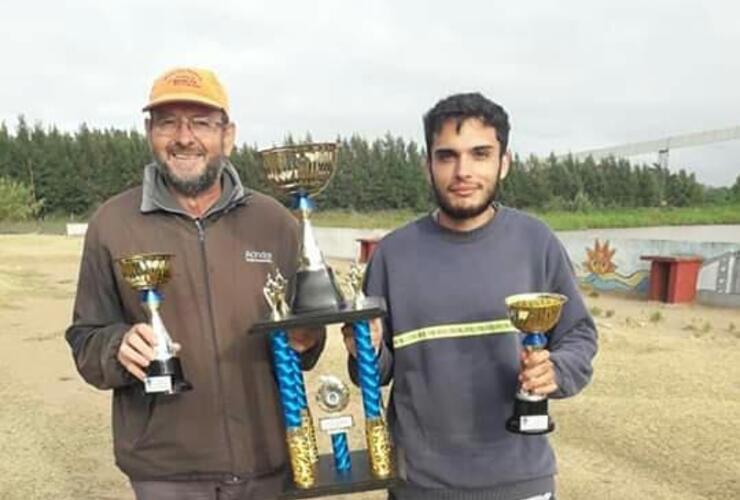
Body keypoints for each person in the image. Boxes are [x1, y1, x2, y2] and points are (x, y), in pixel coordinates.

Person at [65, 67, 324, 500]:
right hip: (165, 472)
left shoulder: (276, 223)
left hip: (269, 461)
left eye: (201, 122)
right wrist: (117, 346)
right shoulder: (112, 224)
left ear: (228, 134)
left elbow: (304, 340)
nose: (184, 137)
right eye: (168, 122)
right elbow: (85, 338)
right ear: (150, 132)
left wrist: (307, 339)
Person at [343, 92, 598, 500]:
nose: (463, 171)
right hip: (419, 486)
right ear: (428, 166)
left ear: (504, 162)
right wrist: (365, 349)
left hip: (520, 482)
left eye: (480, 154)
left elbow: (579, 335)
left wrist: (557, 370)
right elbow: (378, 372)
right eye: (447, 156)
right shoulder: (392, 255)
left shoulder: (537, 242)